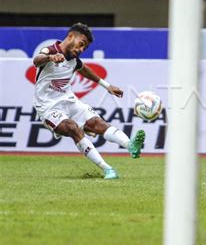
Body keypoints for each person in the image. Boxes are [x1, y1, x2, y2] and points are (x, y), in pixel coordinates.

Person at [33, 23, 146, 180]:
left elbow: (84, 69)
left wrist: (107, 86)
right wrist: (49, 57)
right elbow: (37, 60)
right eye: (81, 44)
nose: (81, 49)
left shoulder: (74, 60)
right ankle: (108, 169)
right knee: (73, 128)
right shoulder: (51, 50)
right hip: (48, 107)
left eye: (84, 48)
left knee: (98, 123)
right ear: (71, 36)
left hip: (70, 102)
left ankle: (131, 145)